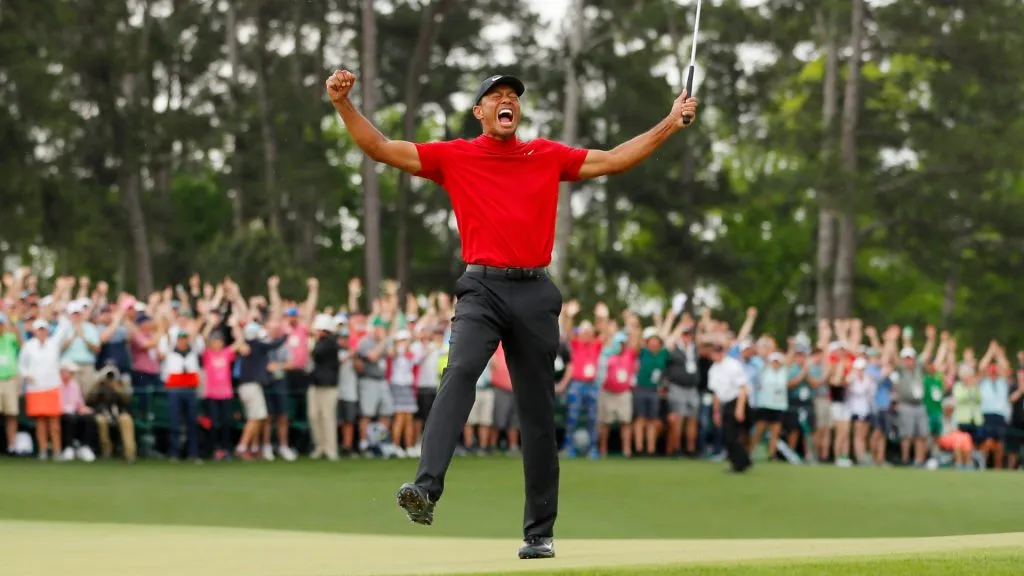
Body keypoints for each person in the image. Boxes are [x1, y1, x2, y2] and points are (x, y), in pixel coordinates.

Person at [327, 68, 699, 558]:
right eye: (495, 96)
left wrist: (670, 122)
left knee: (537, 412)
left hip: (535, 292)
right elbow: (380, 147)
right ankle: (425, 488)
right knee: (458, 372)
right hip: (481, 289)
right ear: (479, 112)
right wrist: (342, 104)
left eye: (513, 97)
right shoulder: (454, 156)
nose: (507, 102)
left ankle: (539, 533)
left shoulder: (544, 154)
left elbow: (613, 160)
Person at [707, 340, 752, 474]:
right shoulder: (713, 370)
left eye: (719, 351)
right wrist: (716, 412)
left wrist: (739, 408)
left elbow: (743, 388)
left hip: (737, 400)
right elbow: (716, 394)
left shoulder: (733, 365)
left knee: (731, 435)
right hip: (726, 403)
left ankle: (740, 462)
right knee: (728, 435)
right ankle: (741, 461)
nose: (717, 354)